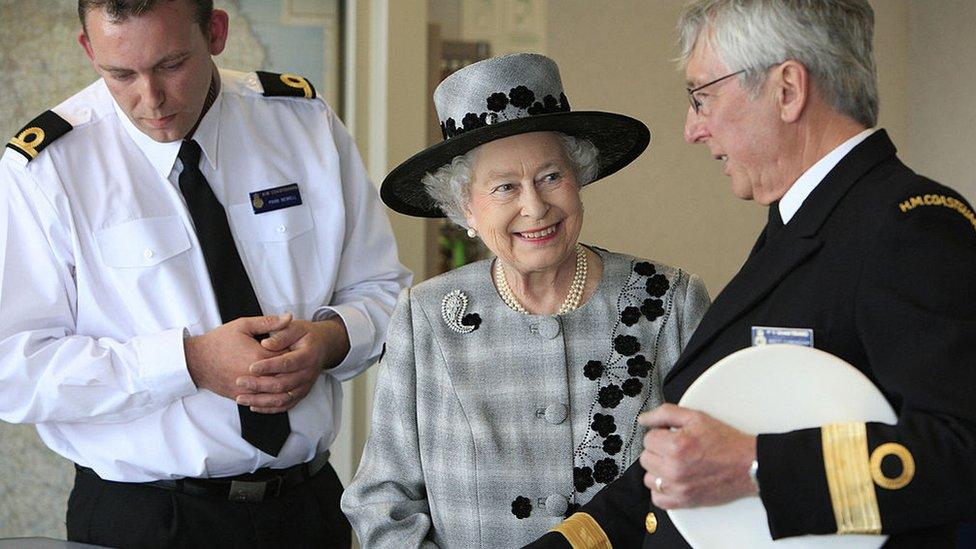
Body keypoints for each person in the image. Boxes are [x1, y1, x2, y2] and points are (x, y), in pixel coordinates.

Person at [530, 0, 976, 547]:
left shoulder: (908, 224)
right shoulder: (805, 223)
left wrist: (755, 466)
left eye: (702, 97)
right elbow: (691, 460)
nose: (693, 128)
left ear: (787, 89)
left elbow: (962, 448)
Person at [0, 0, 410, 546]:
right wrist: (188, 362)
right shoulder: (46, 170)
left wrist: (331, 340)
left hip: (307, 509)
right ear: (88, 50)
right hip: (144, 521)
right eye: (120, 73)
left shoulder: (302, 123)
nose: (151, 100)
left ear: (215, 33)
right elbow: (13, 368)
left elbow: (387, 293)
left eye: (172, 64)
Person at [339, 52, 710, 547]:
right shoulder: (426, 315)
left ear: (580, 179)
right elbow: (382, 500)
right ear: (465, 207)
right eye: (505, 188)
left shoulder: (670, 300)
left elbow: (708, 471)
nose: (534, 207)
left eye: (551, 177)